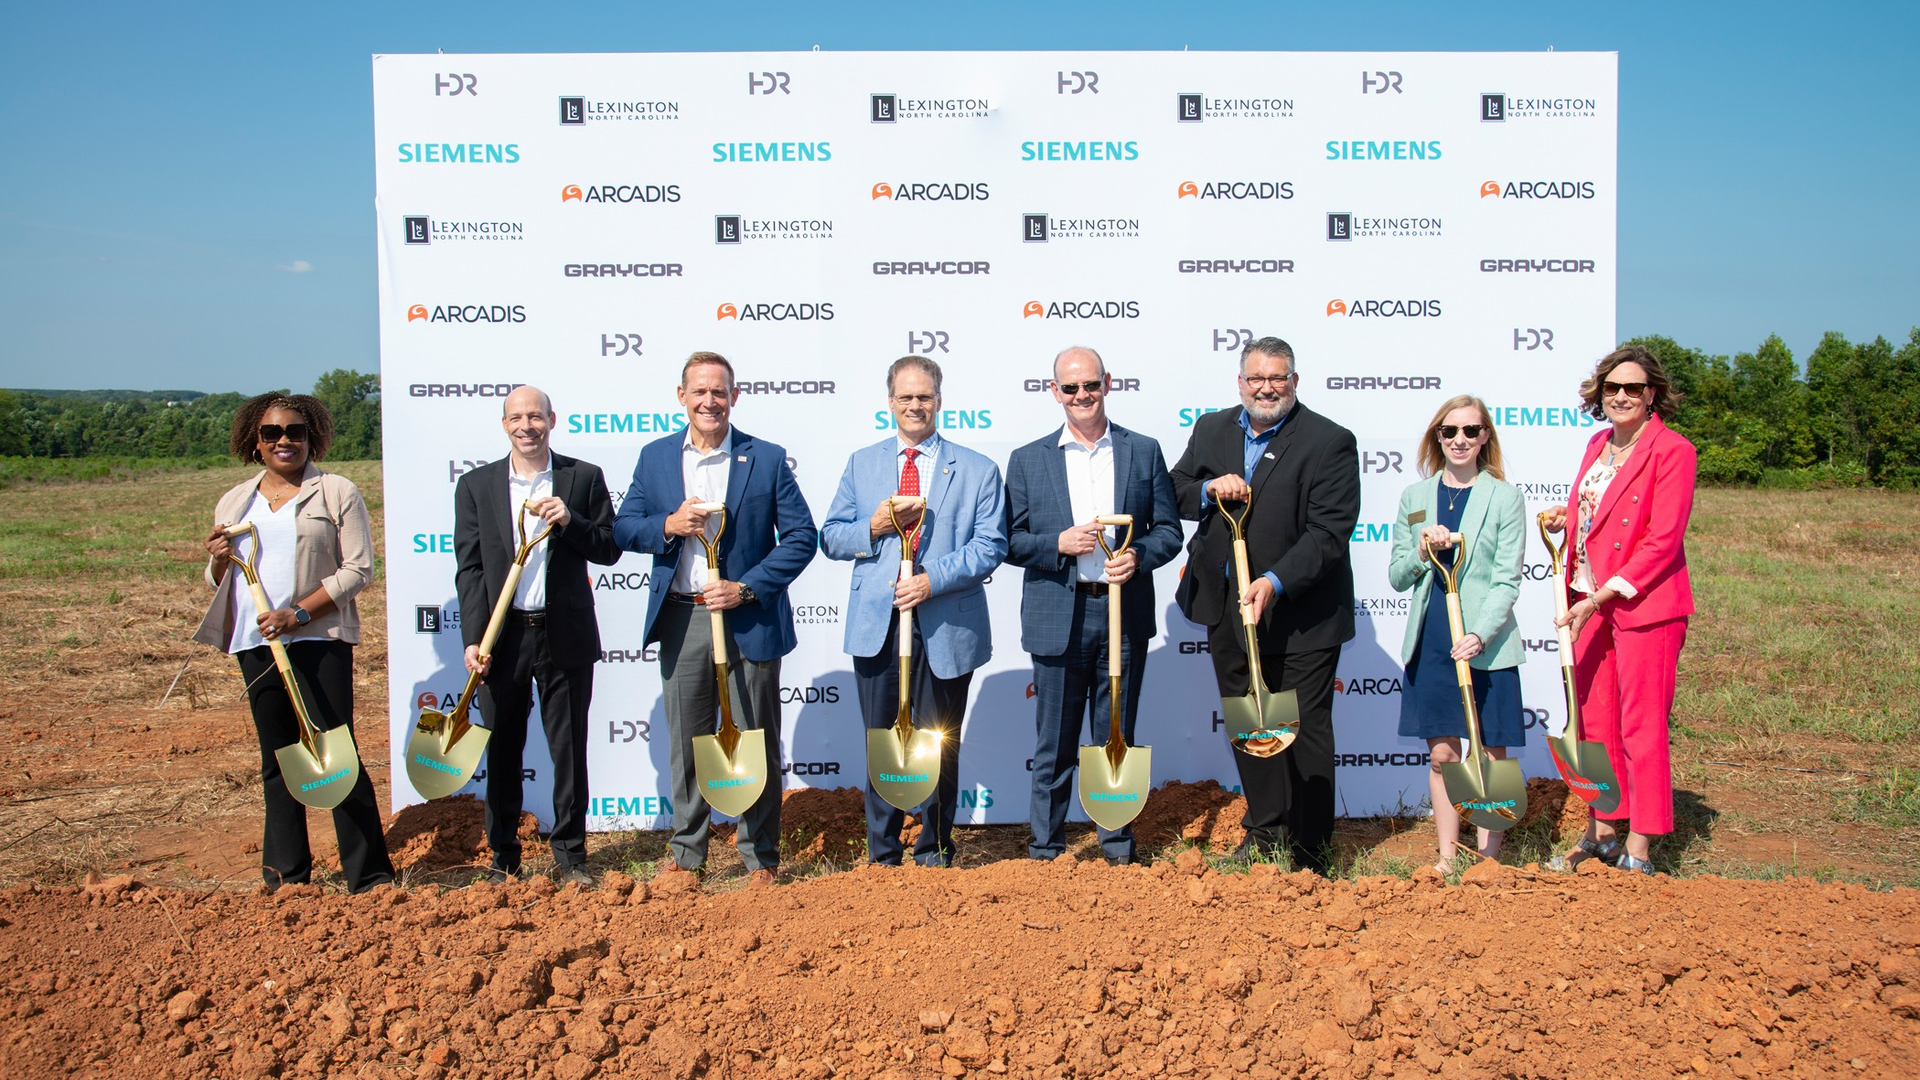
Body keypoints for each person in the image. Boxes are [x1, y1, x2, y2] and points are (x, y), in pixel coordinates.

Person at [613, 352, 817, 888]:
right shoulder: (655, 457)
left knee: (755, 738)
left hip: (748, 619)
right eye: (699, 391)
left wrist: (748, 587)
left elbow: (802, 538)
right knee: (688, 741)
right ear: (681, 396)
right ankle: (686, 855)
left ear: (734, 396)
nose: (709, 401)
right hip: (684, 620)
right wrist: (669, 524)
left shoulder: (766, 459)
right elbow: (624, 528)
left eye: (719, 392)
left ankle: (760, 858)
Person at [1169, 337, 1359, 874]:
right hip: (1227, 605)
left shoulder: (1329, 441)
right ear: (1240, 382)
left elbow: (1329, 533)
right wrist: (1208, 488)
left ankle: (1312, 848)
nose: (1266, 388)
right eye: (1256, 378)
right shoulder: (1212, 428)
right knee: (1250, 723)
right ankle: (1267, 831)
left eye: (1277, 378)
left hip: (1301, 613)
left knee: (1305, 729)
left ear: (1294, 381)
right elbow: (1176, 490)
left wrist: (1275, 580)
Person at [194, 393, 396, 893]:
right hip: (255, 642)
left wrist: (299, 612)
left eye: (295, 432)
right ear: (254, 442)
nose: (284, 440)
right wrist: (218, 559)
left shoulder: (335, 492)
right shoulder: (236, 500)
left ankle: (369, 876)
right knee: (278, 757)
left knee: (334, 751)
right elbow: (217, 578)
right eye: (271, 433)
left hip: (316, 638)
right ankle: (286, 876)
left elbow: (359, 569)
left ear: (312, 437)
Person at [821, 355, 1007, 867]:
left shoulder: (977, 469)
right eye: (905, 397)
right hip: (878, 627)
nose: (915, 406)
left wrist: (931, 581)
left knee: (937, 745)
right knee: (883, 742)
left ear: (939, 402)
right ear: (890, 403)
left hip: (947, 625)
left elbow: (991, 544)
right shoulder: (862, 464)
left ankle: (934, 851)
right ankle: (882, 856)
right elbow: (831, 538)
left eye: (924, 397)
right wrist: (874, 527)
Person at [1004, 346, 1182, 865]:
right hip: (1059, 613)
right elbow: (1008, 540)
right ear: (1054, 391)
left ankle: (1117, 848)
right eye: (1070, 388)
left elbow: (1169, 531)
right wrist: (1055, 545)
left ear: (1108, 383)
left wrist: (1140, 557)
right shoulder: (1028, 459)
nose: (1082, 396)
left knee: (1116, 736)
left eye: (1091, 385)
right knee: (1054, 743)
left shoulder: (1143, 450)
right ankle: (1046, 848)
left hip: (1122, 616)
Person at [453, 385, 621, 887]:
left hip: (563, 634)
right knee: (502, 747)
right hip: (502, 640)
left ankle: (571, 857)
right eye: (516, 418)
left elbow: (609, 548)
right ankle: (503, 858)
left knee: (569, 749)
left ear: (552, 419)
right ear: (504, 424)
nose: (527, 425)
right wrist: (475, 637)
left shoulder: (582, 477)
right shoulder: (476, 486)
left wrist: (570, 521)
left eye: (536, 416)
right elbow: (471, 570)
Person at [1543, 346, 1696, 875]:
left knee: (1641, 724)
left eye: (1633, 388)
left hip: (1642, 604)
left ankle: (1640, 846)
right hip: (1589, 601)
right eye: (1613, 388)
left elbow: (1663, 538)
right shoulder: (1596, 444)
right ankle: (1603, 831)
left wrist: (1604, 595)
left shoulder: (1673, 450)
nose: (1622, 397)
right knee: (1595, 723)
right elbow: (1600, 511)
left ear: (1652, 394)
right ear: (1600, 394)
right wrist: (1571, 519)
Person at [1386, 396, 1528, 874]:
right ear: (1437, 438)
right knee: (1444, 754)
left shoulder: (1505, 498)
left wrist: (1481, 634)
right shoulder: (1415, 498)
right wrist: (1423, 553)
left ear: (1485, 436)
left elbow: (1507, 578)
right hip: (1433, 641)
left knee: (1489, 752)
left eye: (1471, 430)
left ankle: (1488, 858)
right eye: (1450, 432)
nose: (1460, 440)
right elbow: (1397, 576)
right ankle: (1447, 856)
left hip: (1486, 643)